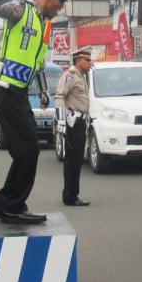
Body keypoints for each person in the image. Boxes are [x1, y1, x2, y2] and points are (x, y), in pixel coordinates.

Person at [0, 0, 75, 224]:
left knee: (28, 150)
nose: (61, 8)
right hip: (7, 87)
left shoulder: (43, 24)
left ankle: (7, 205)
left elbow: (38, 64)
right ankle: (9, 205)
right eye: (60, 2)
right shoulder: (21, 10)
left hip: (20, 91)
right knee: (28, 150)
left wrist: (43, 89)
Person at [55, 47, 92, 206]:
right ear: (78, 60)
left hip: (81, 121)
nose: (90, 63)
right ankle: (70, 196)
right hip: (72, 122)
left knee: (76, 161)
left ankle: (72, 194)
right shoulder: (70, 76)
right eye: (87, 60)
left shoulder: (82, 77)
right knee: (72, 161)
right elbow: (59, 97)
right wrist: (61, 121)